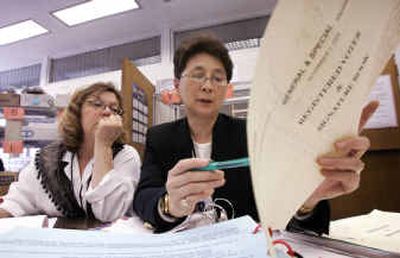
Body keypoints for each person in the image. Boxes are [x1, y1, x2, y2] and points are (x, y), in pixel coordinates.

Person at [133, 34, 378, 234]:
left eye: (218, 78)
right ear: (177, 86)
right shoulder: (160, 137)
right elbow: (143, 196)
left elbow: (280, 203)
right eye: (198, 75)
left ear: (227, 90)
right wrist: (170, 205)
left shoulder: (251, 135)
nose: (208, 85)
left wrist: (304, 200)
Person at [0, 82, 141, 222]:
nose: (107, 112)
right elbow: (17, 201)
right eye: (97, 104)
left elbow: (108, 213)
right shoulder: (47, 158)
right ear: (76, 112)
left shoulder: (126, 156)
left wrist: (103, 145)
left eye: (114, 109)